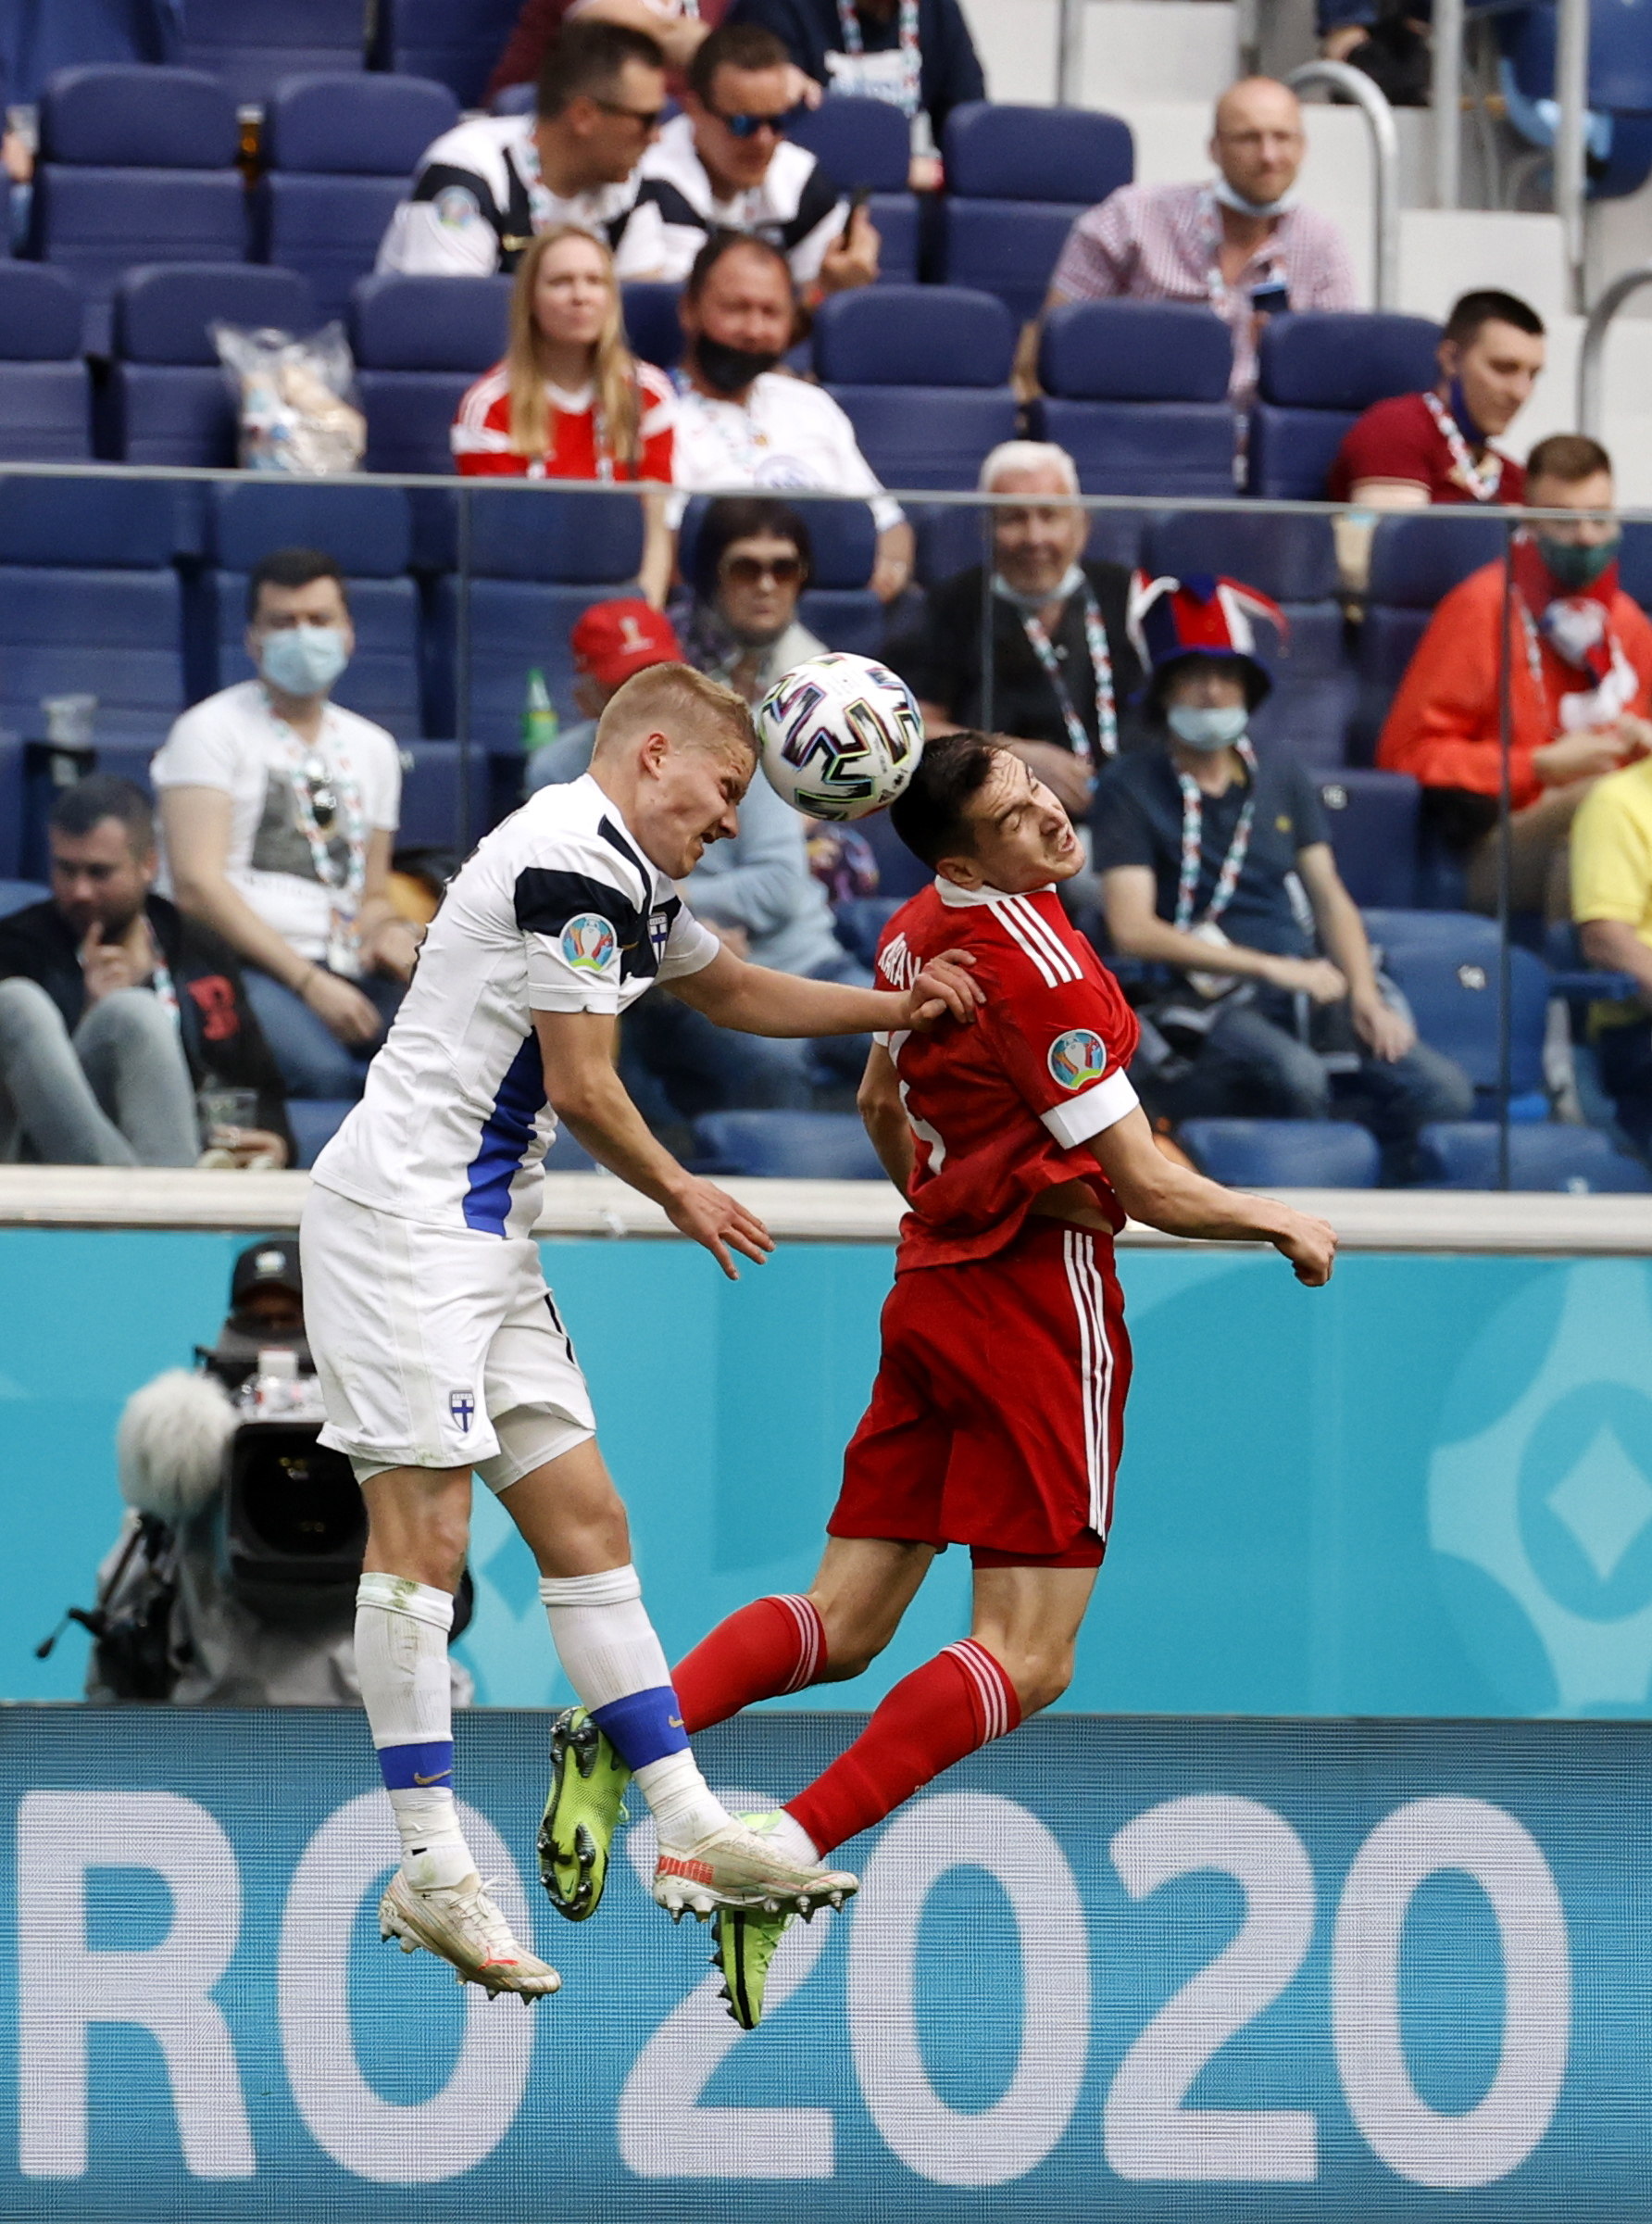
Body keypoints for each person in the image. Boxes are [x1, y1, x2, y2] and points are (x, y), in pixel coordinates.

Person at [536, 728, 1337, 2028]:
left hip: (929, 1292)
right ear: (971, 852)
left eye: (1044, 791)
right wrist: (1279, 1222)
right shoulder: (1051, 976)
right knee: (1029, 1656)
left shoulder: (920, 928)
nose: (1053, 818)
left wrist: (952, 1196)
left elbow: (875, 1101)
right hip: (1034, 1307)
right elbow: (1147, 1185)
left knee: (845, 1621)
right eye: (1021, 817)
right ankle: (776, 1849)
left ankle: (624, 1729)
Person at [298, 660, 981, 1999]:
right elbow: (585, 1083)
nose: (731, 820)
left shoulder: (623, 871)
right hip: (404, 1224)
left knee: (589, 1526)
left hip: (483, 1232)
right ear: (653, 754)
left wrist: (898, 1009)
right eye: (726, 791)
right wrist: (680, 1187)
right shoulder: (570, 865)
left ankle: (690, 1825)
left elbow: (732, 990)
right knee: (424, 1538)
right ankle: (430, 1865)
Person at [1095, 572, 1473, 1176]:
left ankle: (1389, 1206)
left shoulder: (1281, 775)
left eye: (1227, 676)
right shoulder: (1130, 784)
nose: (1214, 693)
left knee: (1443, 1089)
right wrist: (1270, 967)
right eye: (1195, 676)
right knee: (1295, 1077)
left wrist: (1366, 997)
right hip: (1201, 1003)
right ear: (1166, 689)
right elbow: (1133, 929)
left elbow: (1330, 898)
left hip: (1308, 987)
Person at [85, 1242, 470, 1708]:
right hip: (223, 1708)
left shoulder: (382, 1426)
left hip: (372, 1709)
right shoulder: (188, 1439)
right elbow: (130, 1594)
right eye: (256, 1321)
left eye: (291, 1319)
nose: (273, 1337)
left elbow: (446, 1579)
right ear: (231, 1324)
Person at [152, 549, 414, 1102]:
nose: (303, 636)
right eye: (283, 622)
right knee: (327, 1078)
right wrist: (308, 982)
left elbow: (371, 894)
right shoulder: (209, 731)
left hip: (344, 962)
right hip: (238, 962)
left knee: (440, 1066)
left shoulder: (375, 749)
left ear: (348, 635)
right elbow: (197, 889)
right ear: (253, 640)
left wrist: (389, 932)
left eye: (319, 621)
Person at [1377, 433, 1652, 918]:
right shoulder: (1483, 607)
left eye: (1600, 516)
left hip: (1620, 830)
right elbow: (1407, 756)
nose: (1587, 536)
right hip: (1498, 842)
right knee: (1601, 805)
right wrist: (1539, 765)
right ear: (1527, 520)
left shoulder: (1625, 620)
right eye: (1565, 520)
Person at [0, 777, 289, 1170]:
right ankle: (159, 1209)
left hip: (187, 1148)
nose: (80, 891)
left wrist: (278, 1143)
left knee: (134, 1013)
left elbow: (259, 1084)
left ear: (148, 865)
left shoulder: (198, 948)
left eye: (99, 873)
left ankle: (159, 1204)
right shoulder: (17, 946)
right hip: (39, 1160)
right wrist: (87, 1015)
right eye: (66, 870)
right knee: (24, 1003)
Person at [1044, 77, 1358, 409]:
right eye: (1248, 139)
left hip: (1263, 434)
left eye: (1283, 137)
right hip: (1139, 420)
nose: (1269, 156)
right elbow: (1057, 340)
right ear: (1214, 149)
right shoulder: (1133, 215)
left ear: (1303, 147)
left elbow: (1337, 377)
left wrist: (1292, 352)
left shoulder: (1323, 241)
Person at [887, 441, 1145, 825]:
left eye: (1049, 515)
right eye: (1014, 519)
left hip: (1127, 819)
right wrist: (1013, 757)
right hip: (996, 821)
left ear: (1081, 526)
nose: (1034, 537)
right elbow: (914, 730)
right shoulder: (953, 604)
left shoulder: (1129, 597)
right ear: (986, 529)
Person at [670, 229, 914, 602]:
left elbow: (889, 526)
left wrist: (889, 571)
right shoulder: (653, 411)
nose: (753, 330)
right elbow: (664, 552)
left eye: (770, 313)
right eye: (736, 308)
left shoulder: (810, 405)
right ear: (689, 310)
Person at [452, 225, 678, 604]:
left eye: (595, 281)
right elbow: (499, 546)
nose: (580, 296)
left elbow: (657, 528)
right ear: (531, 301)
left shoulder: (648, 393)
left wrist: (644, 616)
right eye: (561, 282)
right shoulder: (486, 406)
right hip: (527, 603)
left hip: (626, 603)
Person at [376, 20, 670, 281]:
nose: (657, 137)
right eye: (647, 120)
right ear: (584, 116)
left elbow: (641, 319)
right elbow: (449, 324)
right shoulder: (468, 172)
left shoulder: (626, 185)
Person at [635, 23, 879, 294]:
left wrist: (840, 285)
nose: (763, 140)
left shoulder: (799, 176)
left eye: (778, 121)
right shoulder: (654, 180)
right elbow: (698, 318)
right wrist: (821, 292)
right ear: (694, 110)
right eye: (743, 124)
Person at [1327, 289, 1545, 509]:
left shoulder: (1513, 478)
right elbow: (1396, 542)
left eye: (1533, 375)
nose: (1520, 393)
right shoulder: (1395, 430)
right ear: (1450, 359)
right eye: (1504, 368)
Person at [727, 0, 987, 182]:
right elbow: (773, 136)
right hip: (802, 191)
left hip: (898, 200)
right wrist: (897, 168)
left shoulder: (937, 11)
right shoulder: (775, 7)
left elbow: (968, 136)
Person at [678, 493, 826, 700]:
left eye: (784, 569)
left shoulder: (817, 673)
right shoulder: (665, 657)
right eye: (745, 570)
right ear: (712, 575)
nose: (766, 586)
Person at [531, 597, 687, 790]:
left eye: (661, 683)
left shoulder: (723, 760)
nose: (648, 703)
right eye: (624, 690)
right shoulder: (560, 772)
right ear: (585, 700)